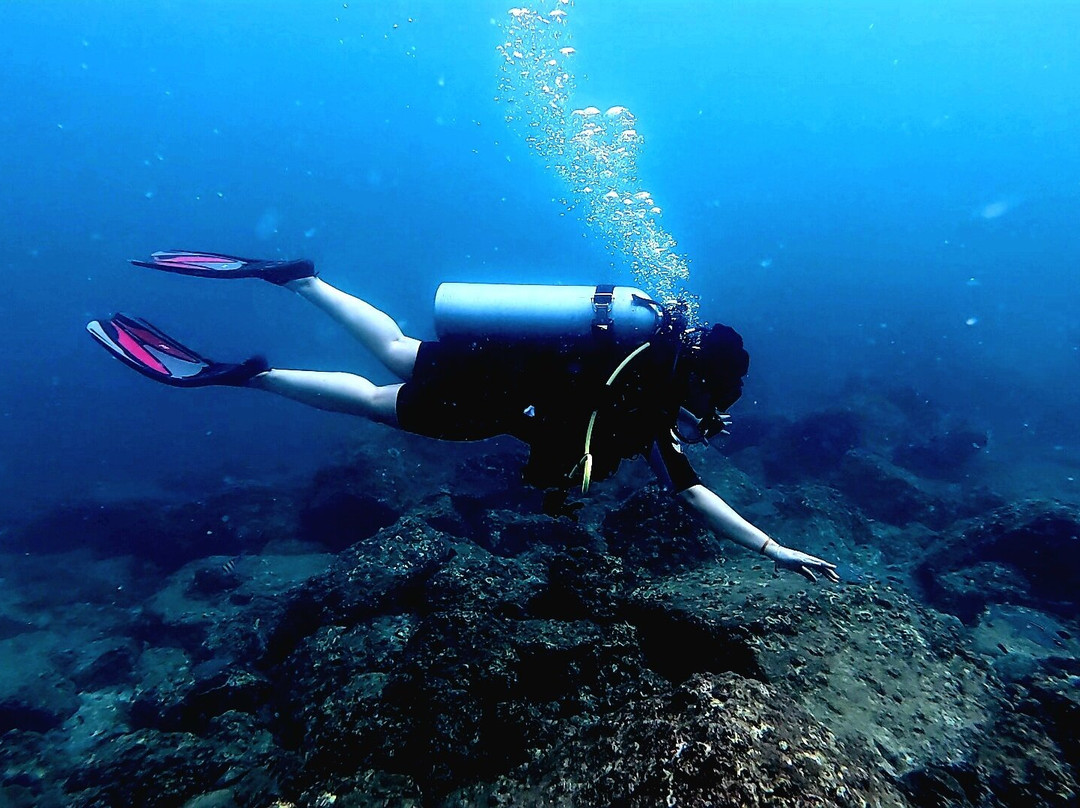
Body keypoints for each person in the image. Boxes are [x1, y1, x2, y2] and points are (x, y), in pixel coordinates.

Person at [88, 250, 840, 583]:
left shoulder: (641, 357)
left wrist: (771, 547)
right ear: (703, 379)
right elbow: (686, 486)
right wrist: (772, 546)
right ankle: (249, 375)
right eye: (719, 400)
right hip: (484, 399)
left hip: (489, 364)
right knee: (377, 400)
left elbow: (676, 474)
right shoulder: (646, 394)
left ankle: (300, 280)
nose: (717, 415)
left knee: (392, 350)